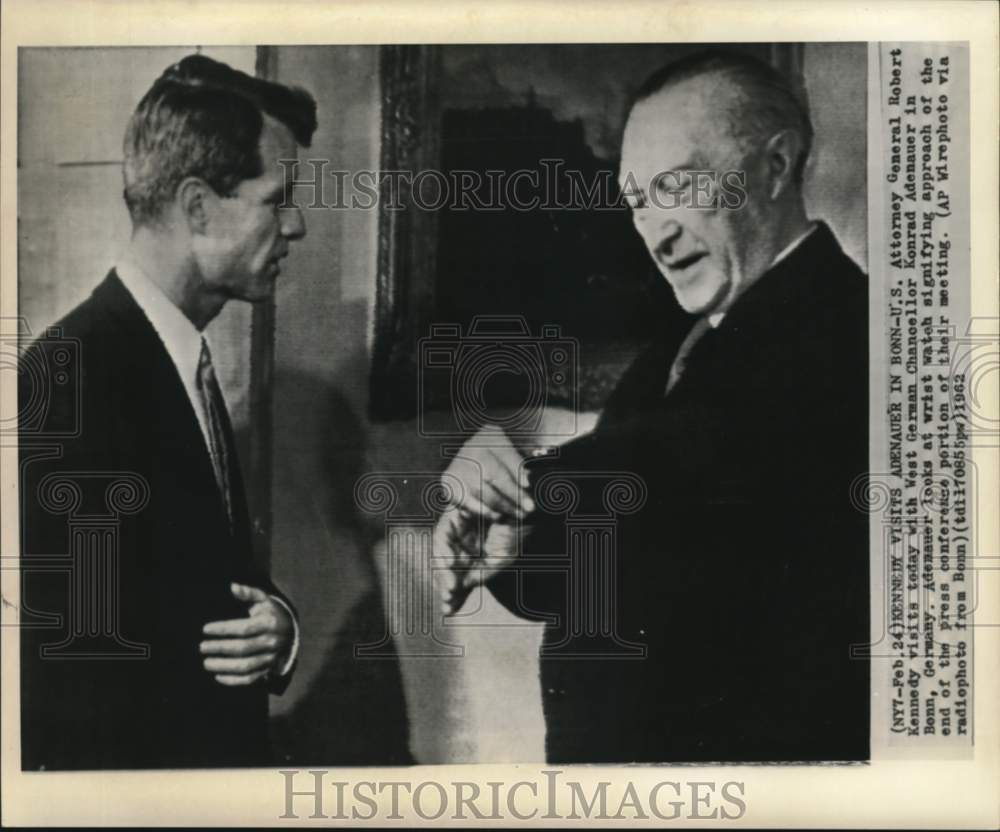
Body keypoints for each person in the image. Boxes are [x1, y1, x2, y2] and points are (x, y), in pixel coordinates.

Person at [434, 50, 870, 763]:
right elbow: (633, 555)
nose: (655, 233)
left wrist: (526, 479)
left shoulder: (856, 331)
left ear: (776, 165)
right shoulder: (681, 345)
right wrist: (508, 539)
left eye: (676, 186)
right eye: (638, 201)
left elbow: (716, 458)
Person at [19, 55, 316, 769]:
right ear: (197, 208)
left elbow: (199, 582)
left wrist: (281, 629)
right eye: (278, 199)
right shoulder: (69, 380)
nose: (298, 226)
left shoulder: (180, 360)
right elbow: (69, 684)